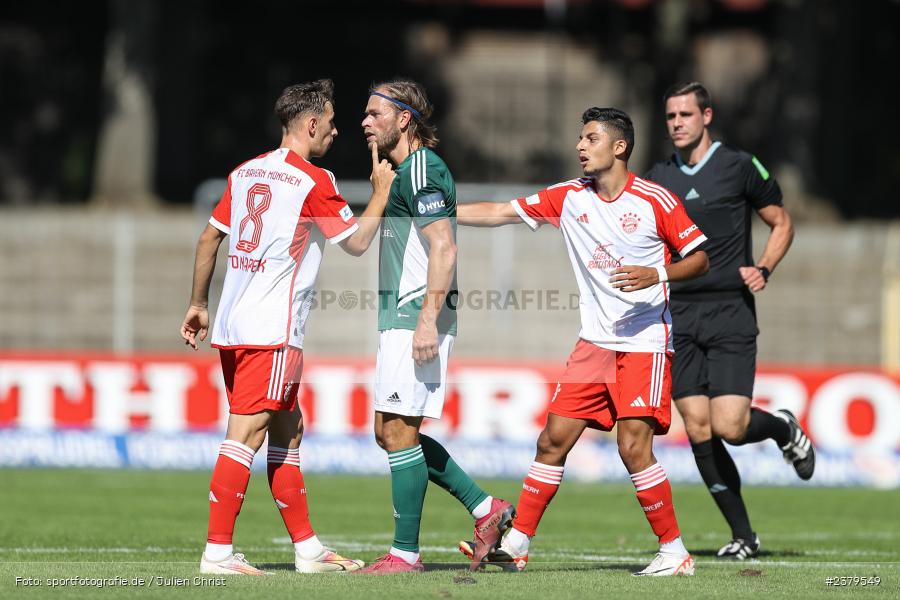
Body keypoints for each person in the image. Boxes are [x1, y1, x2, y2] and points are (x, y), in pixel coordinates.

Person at [455, 107, 709, 576]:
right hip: (593, 344)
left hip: (644, 341)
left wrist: (657, 273)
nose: (580, 146)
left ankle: (674, 552)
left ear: (619, 147)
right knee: (551, 440)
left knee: (633, 448)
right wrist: (437, 212)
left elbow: (700, 259)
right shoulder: (568, 196)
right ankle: (517, 544)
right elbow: (500, 212)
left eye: (590, 138)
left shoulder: (655, 200)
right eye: (580, 138)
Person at [180, 79, 395, 575]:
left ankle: (309, 550)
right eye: (333, 122)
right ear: (312, 123)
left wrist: (197, 303)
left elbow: (210, 239)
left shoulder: (244, 172)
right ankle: (217, 553)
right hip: (274, 330)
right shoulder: (314, 180)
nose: (338, 131)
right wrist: (380, 194)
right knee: (246, 433)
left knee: (287, 428)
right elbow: (358, 242)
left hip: (234, 326)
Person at [643, 81, 814, 560]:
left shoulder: (739, 165)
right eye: (670, 116)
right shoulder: (657, 178)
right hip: (678, 313)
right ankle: (744, 536)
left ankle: (782, 429)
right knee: (697, 427)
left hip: (730, 311)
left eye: (685, 115)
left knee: (731, 426)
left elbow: (782, 221)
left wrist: (763, 267)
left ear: (706, 116)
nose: (677, 123)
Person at [356, 79, 515, 574]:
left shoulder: (423, 168)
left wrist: (427, 321)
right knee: (389, 431)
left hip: (414, 316)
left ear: (405, 119)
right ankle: (487, 510)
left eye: (374, 113)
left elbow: (445, 247)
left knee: (400, 432)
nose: (364, 122)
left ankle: (405, 554)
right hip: (400, 316)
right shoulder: (404, 169)